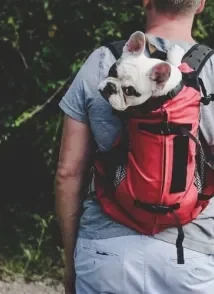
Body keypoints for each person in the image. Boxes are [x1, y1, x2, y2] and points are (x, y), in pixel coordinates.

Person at [55, 0, 214, 293]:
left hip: (105, 251)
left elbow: (68, 173)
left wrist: (71, 264)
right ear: (201, 5)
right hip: (189, 254)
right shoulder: (213, 70)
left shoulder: (103, 61)